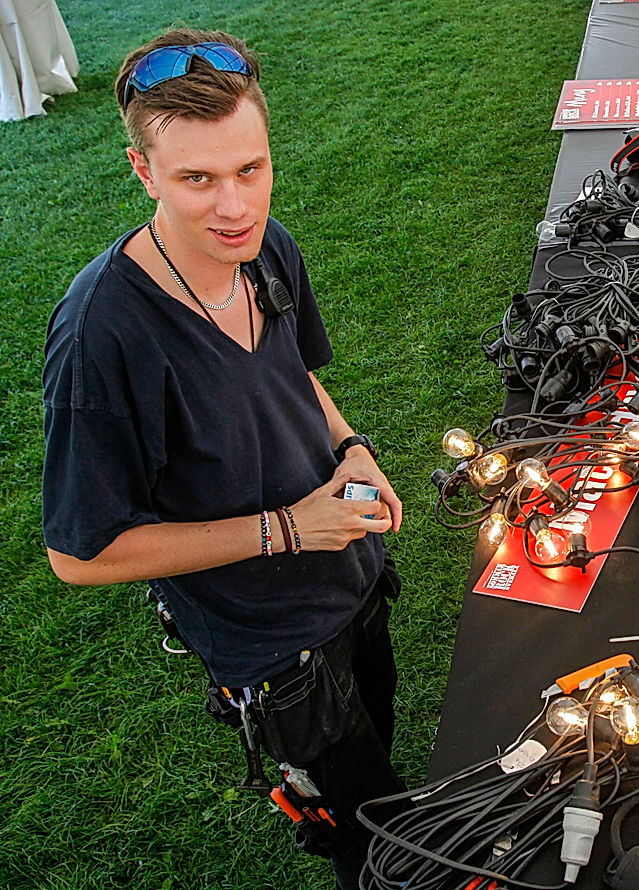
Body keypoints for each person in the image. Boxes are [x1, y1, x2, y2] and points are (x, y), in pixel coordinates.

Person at [41, 28, 404, 888]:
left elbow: (298, 379)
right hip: (272, 646)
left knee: (384, 769)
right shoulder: (102, 336)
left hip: (350, 574)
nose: (234, 205)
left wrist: (352, 447)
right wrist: (286, 529)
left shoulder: (265, 247)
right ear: (143, 173)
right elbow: (78, 555)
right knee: (369, 842)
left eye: (251, 169)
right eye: (195, 179)